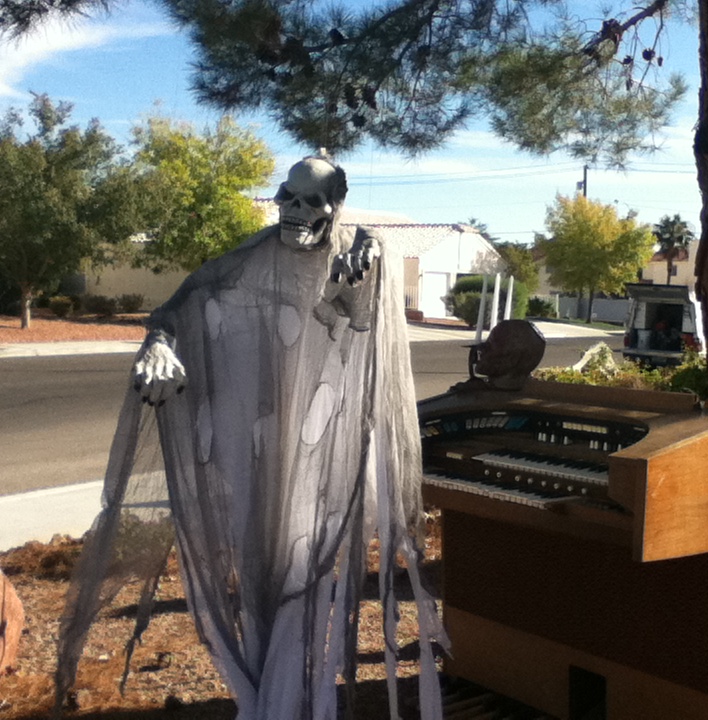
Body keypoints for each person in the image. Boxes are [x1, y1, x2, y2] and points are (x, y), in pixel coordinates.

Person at [54, 156, 446, 720]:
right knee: (256, 569)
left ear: (334, 208)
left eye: (311, 202)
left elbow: (364, 316)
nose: (294, 211)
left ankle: (288, 703)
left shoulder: (358, 256)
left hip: (317, 452)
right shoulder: (251, 260)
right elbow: (174, 310)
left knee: (300, 574)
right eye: (288, 197)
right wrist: (158, 344)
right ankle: (266, 697)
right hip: (254, 448)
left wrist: (374, 246)